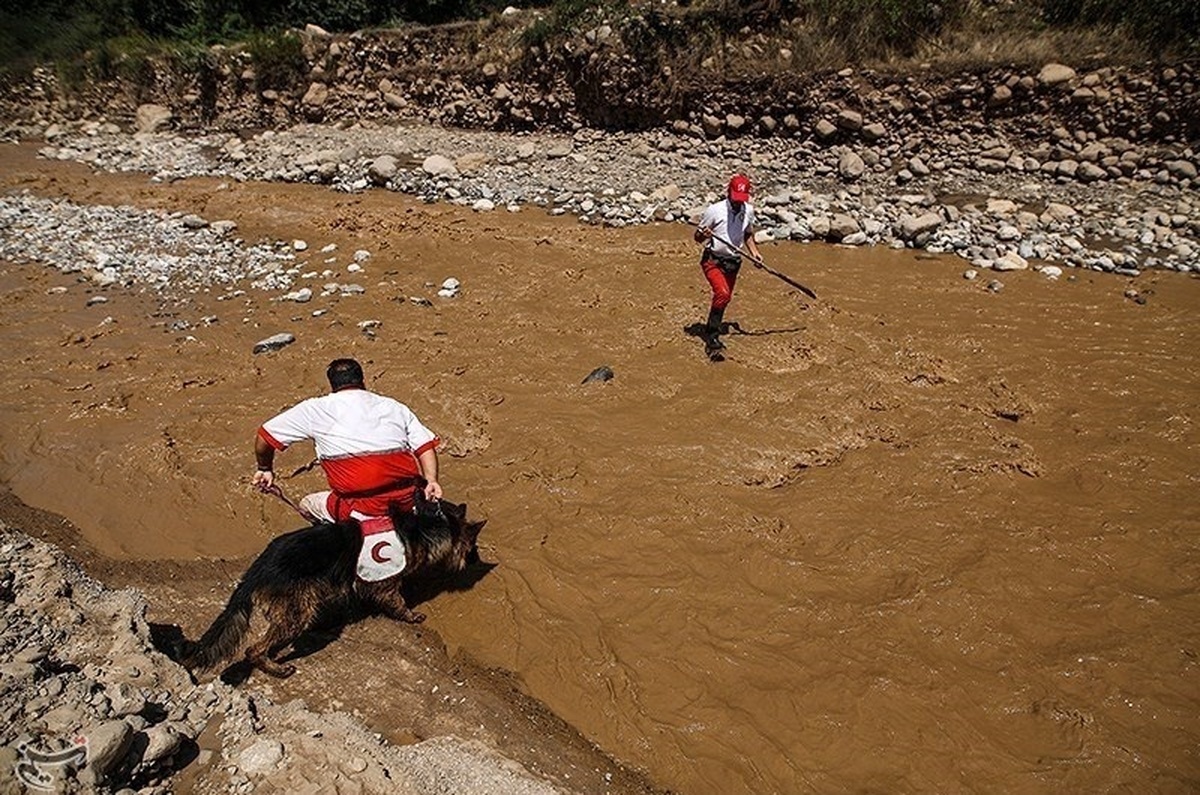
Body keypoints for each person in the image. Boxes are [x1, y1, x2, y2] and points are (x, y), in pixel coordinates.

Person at [252, 358, 443, 523]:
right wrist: (432, 480)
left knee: (307, 504)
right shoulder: (393, 406)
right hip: (408, 500)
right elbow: (424, 447)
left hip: (358, 507)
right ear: (362, 380)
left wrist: (265, 469)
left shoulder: (315, 409)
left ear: (332, 384)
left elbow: (265, 437)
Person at [693, 173, 764, 354]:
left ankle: (713, 328)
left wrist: (754, 252)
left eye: (741, 199)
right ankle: (712, 336)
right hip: (713, 260)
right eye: (735, 198)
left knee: (724, 299)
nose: (737, 202)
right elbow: (697, 237)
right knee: (722, 294)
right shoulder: (714, 211)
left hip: (733, 261)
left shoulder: (747, 210)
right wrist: (705, 234)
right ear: (728, 192)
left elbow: (747, 233)